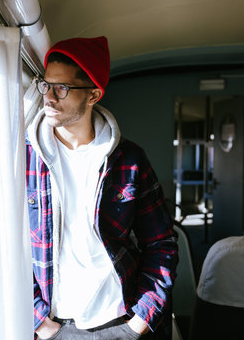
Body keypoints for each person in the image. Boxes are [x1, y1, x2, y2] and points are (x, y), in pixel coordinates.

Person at [25, 36, 178, 340]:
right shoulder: (24, 158)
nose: (49, 98)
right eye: (46, 85)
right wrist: (40, 322)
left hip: (121, 320)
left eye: (62, 88)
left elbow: (161, 243)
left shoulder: (129, 159)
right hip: (55, 327)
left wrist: (139, 322)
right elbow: (0, 246)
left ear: (93, 95)